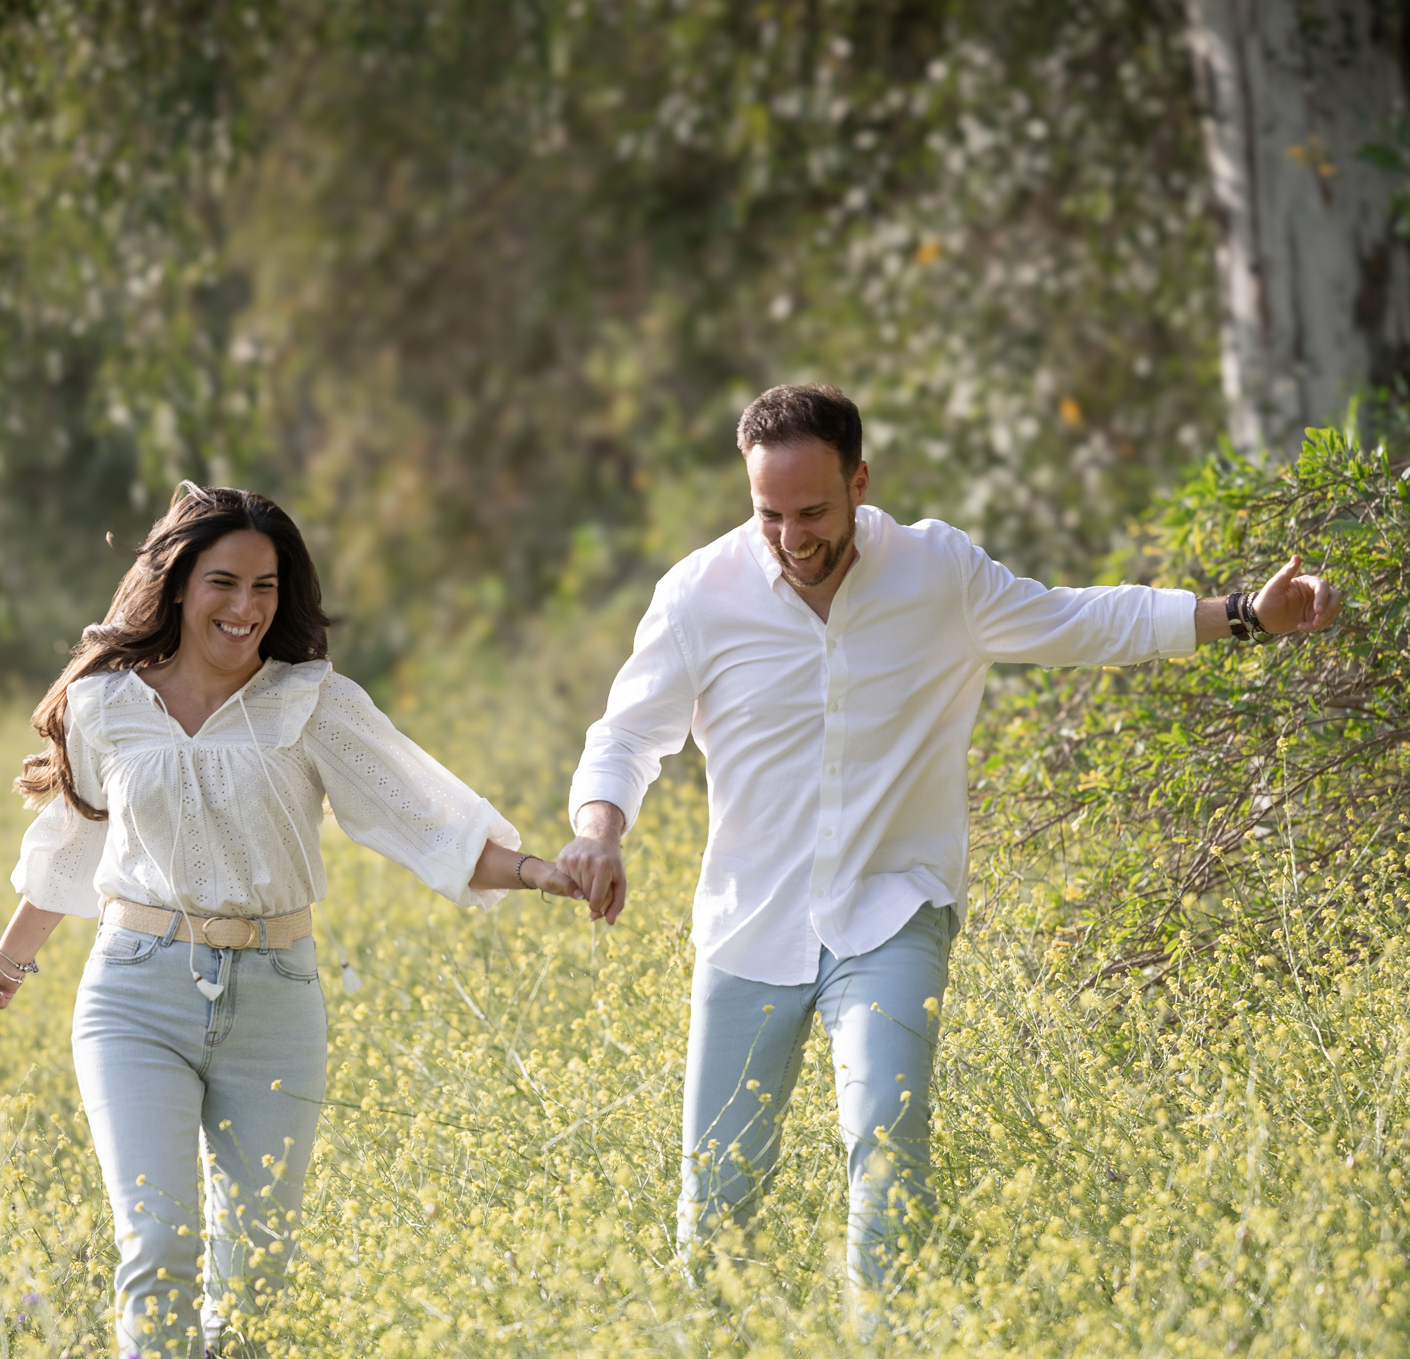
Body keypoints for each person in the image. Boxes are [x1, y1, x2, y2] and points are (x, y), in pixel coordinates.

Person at [557, 383, 1343, 1305]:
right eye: (769, 514)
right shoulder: (698, 595)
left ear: (859, 483)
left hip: (891, 909)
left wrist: (1243, 613)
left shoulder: (937, 572)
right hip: (748, 924)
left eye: (813, 513)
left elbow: (1076, 620)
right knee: (718, 1191)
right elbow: (625, 735)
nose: (791, 537)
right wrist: (598, 832)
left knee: (886, 1137)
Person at [0, 482, 580, 1359]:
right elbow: (75, 844)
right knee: (158, 1239)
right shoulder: (104, 704)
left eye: (265, 587)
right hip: (135, 991)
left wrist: (538, 872)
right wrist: (7, 962)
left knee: (257, 1268)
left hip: (277, 998)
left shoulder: (310, 701)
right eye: (224, 583)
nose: (245, 608)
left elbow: (425, 820)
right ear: (177, 584)